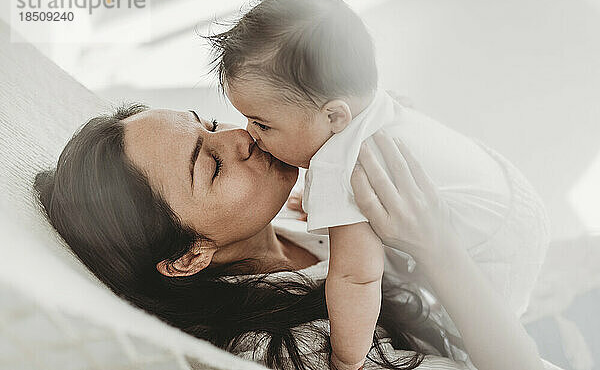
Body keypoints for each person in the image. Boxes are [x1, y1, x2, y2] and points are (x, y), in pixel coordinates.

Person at [33, 106, 558, 370]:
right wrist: (436, 248)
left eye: (210, 124)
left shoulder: (291, 228)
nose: (240, 137)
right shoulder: (292, 345)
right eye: (211, 165)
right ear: (189, 256)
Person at [204, 0, 550, 369]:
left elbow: (356, 278)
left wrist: (346, 359)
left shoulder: (339, 164)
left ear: (335, 118)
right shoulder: (369, 104)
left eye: (263, 123)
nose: (250, 134)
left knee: (472, 340)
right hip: (506, 190)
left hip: (495, 244)